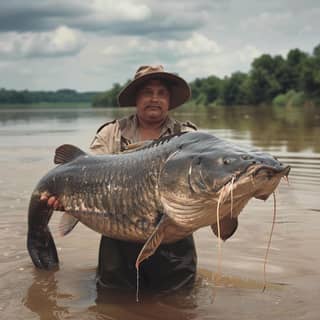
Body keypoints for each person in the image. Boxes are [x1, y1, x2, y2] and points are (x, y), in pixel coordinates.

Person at [90, 65, 198, 291]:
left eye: (162, 93)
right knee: (114, 301)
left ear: (169, 100)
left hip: (174, 238)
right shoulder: (111, 133)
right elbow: (90, 176)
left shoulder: (189, 137)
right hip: (118, 236)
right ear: (136, 98)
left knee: (180, 305)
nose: (154, 99)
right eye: (147, 92)